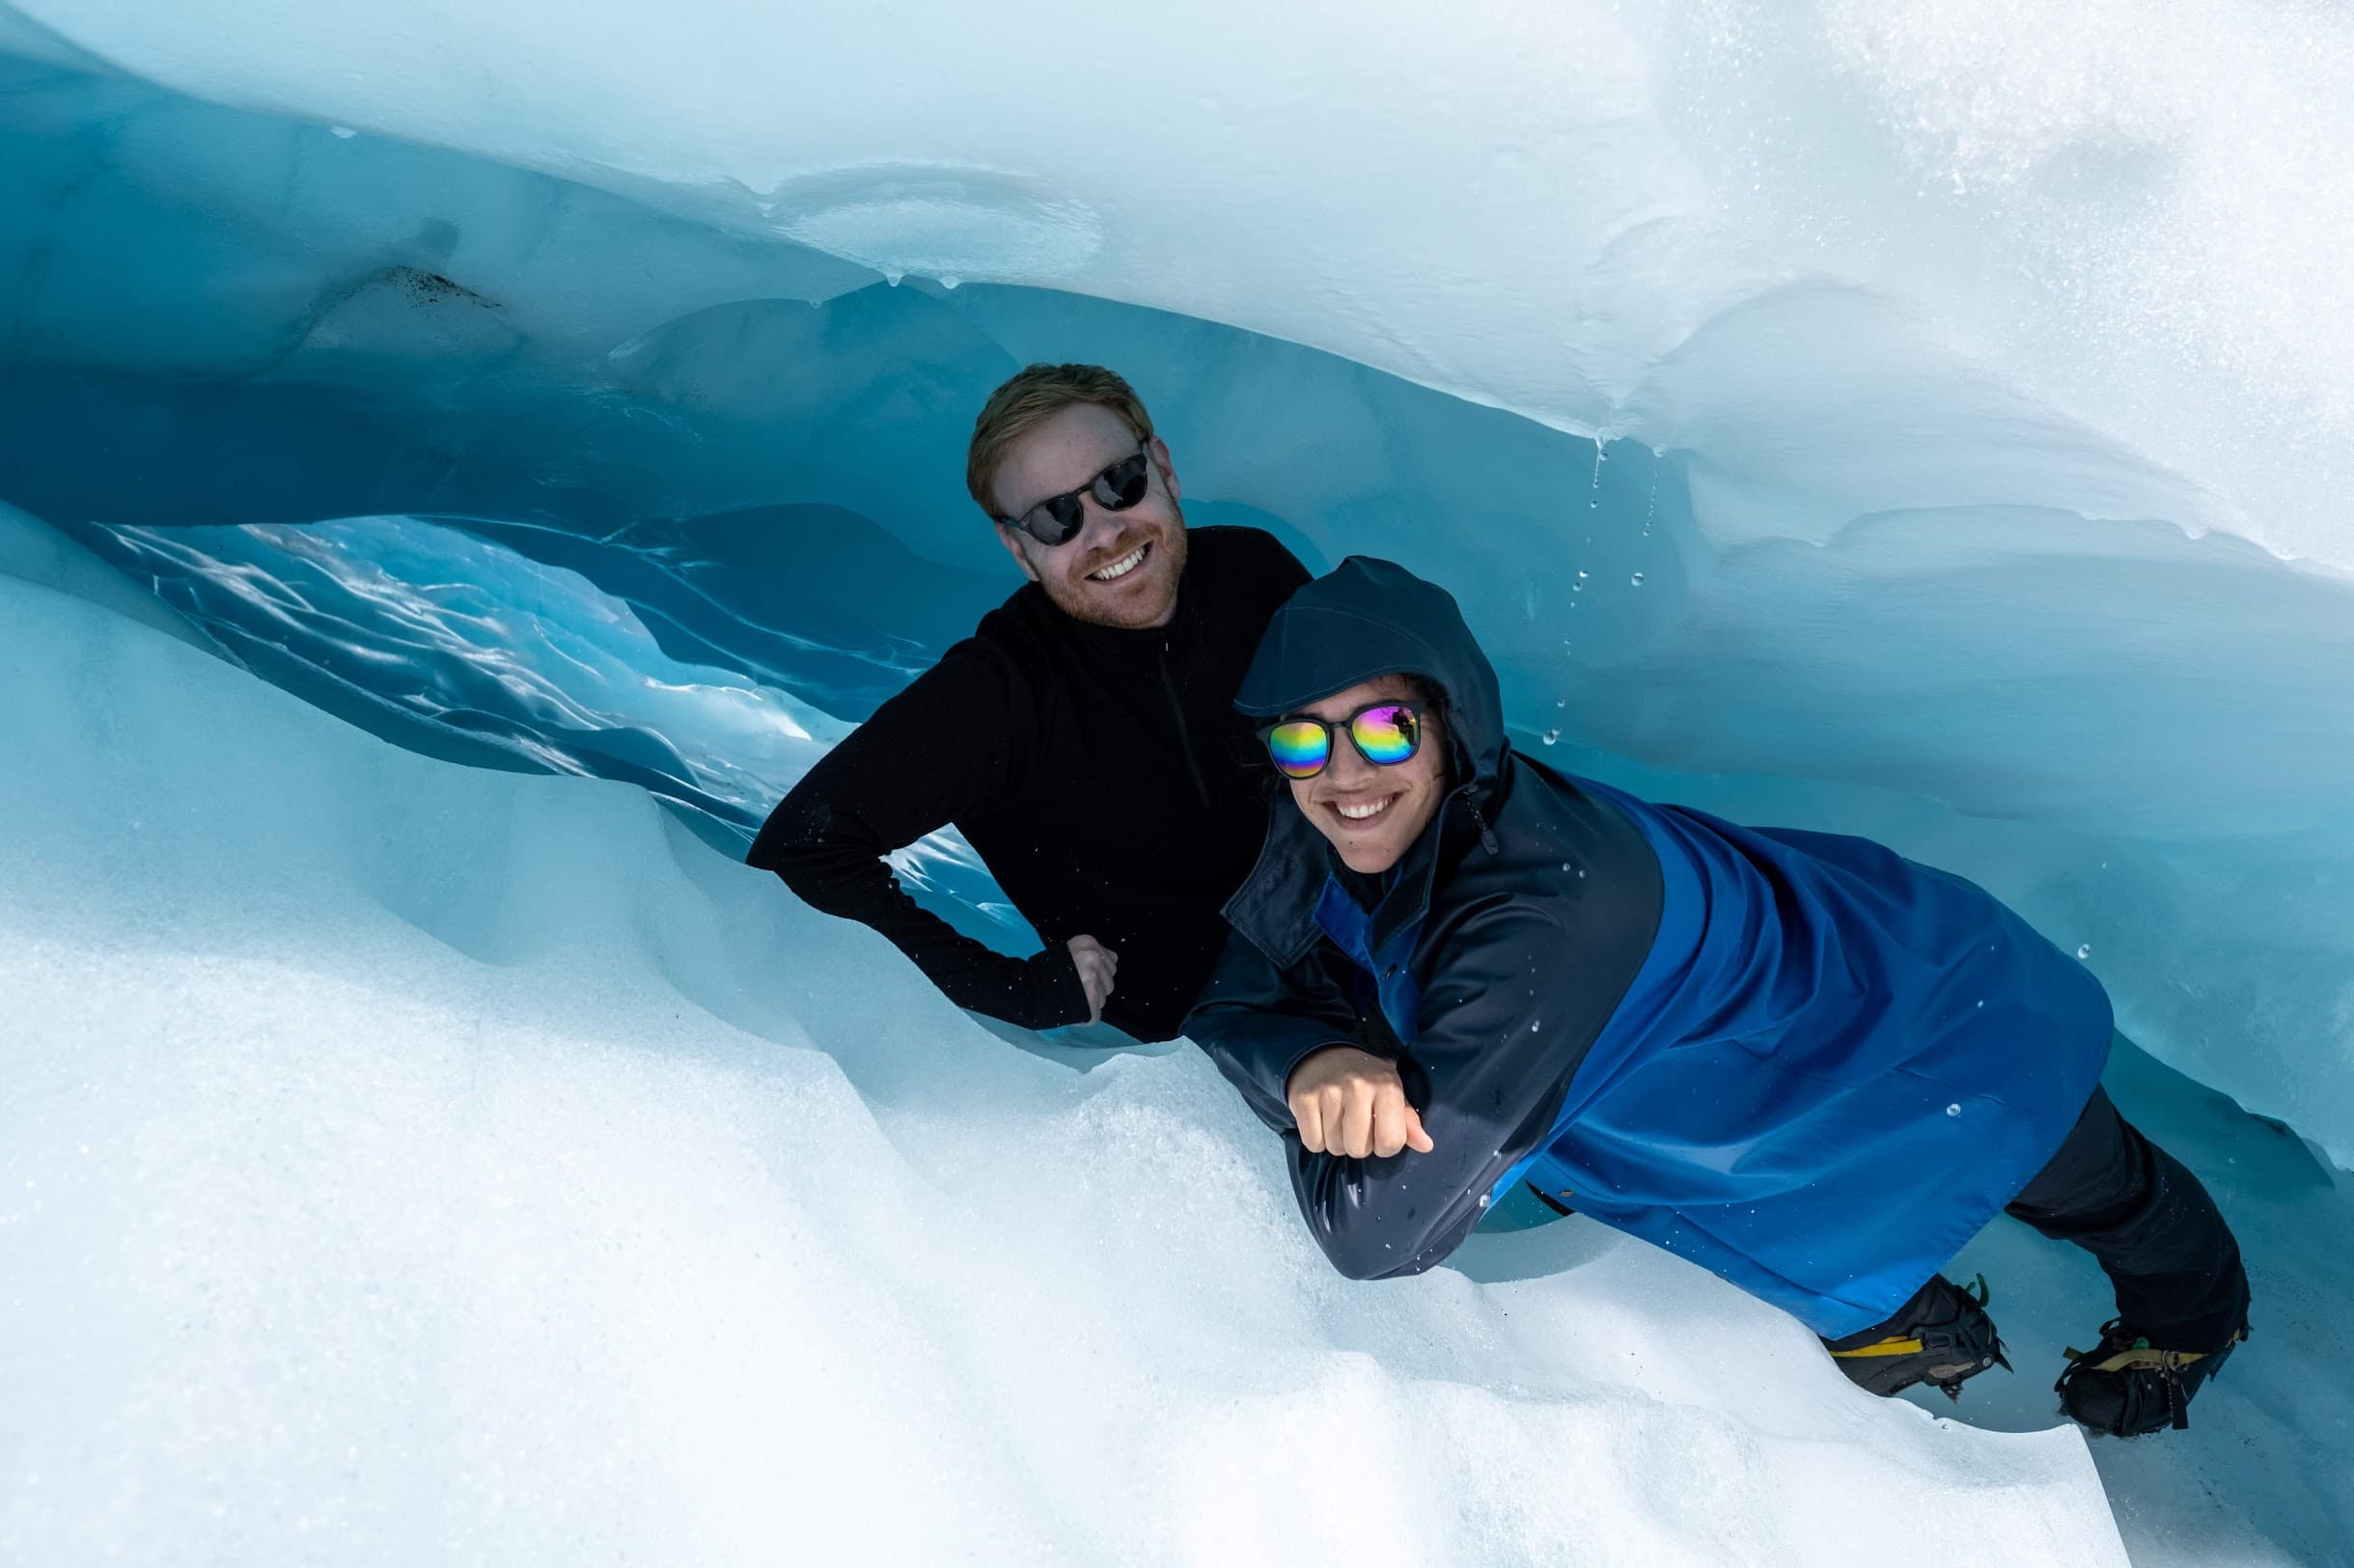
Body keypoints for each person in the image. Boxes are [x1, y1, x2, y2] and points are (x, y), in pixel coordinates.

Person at [1185, 555, 2251, 1438]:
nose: (1341, 769)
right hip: (1726, 1077)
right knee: (1724, 1208)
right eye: (1300, 735)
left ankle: (2198, 1313)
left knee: (2088, 1181)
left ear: (1451, 724)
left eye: (1381, 726)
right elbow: (1229, 986)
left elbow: (1380, 1232)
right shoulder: (1337, 804)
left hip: (1941, 1013)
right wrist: (1311, 1063)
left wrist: (1305, 1063)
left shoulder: (1551, 914)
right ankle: (1899, 1311)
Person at [749, 364, 1310, 1042]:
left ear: (1162, 468)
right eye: (1056, 517)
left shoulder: (1253, 574)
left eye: (1118, 483)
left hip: (1370, 962)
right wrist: (1008, 988)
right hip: (1208, 1050)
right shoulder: (1003, 694)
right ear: (1018, 549)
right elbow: (801, 850)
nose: (1103, 533)